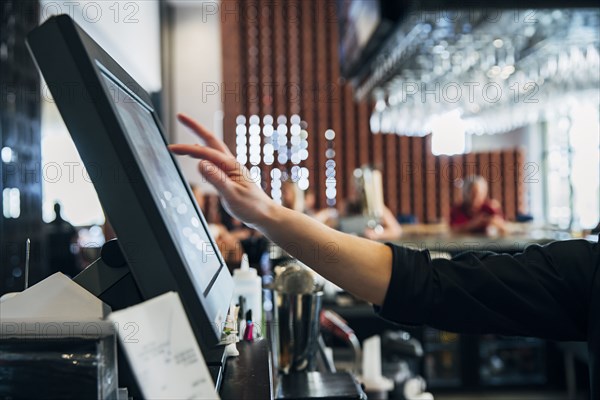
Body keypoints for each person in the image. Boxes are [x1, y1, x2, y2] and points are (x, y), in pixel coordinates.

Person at [169, 114, 599, 396]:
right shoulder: (588, 270)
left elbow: (425, 285)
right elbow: (426, 284)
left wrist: (270, 215)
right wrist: (268, 215)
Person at [45, 202, 79, 277]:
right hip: (56, 258)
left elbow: (75, 238)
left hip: (65, 257)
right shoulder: (51, 226)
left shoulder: (50, 226)